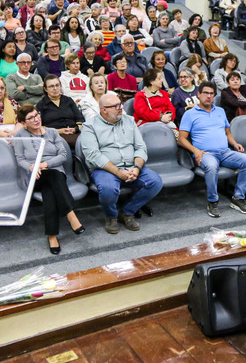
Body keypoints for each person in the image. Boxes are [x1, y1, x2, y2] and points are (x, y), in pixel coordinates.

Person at [79, 93, 163, 234]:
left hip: (132, 166)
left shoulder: (129, 121)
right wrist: (118, 172)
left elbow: (140, 147)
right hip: (105, 169)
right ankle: (111, 216)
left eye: (121, 104)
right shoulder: (89, 126)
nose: (121, 108)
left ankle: (127, 212)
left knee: (155, 182)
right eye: (116, 106)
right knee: (108, 189)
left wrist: (137, 168)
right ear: (104, 109)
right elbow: (93, 155)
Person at [14, 104, 85, 254]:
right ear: (23, 122)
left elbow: (63, 154)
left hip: (54, 171)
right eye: (30, 118)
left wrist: (45, 164)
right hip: (35, 176)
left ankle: (52, 235)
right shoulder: (20, 135)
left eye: (36, 115)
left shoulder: (52, 132)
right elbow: (20, 159)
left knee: (50, 190)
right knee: (51, 177)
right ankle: (71, 214)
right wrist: (32, 167)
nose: (36, 119)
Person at [178, 81, 246, 217]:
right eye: (205, 93)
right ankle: (212, 201)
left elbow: (227, 132)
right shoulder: (190, 114)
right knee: (212, 166)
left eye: (211, 94)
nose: (208, 96)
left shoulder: (220, 111)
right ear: (199, 94)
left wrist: (235, 144)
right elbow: (181, 139)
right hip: (205, 154)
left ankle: (238, 197)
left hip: (225, 152)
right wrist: (196, 151)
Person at [36, 74, 84, 145]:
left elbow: (80, 120)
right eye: (51, 86)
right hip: (53, 137)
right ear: (45, 89)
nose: (55, 88)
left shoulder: (68, 100)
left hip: (74, 134)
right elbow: (39, 127)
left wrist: (74, 129)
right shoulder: (41, 105)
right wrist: (59, 131)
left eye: (57, 85)